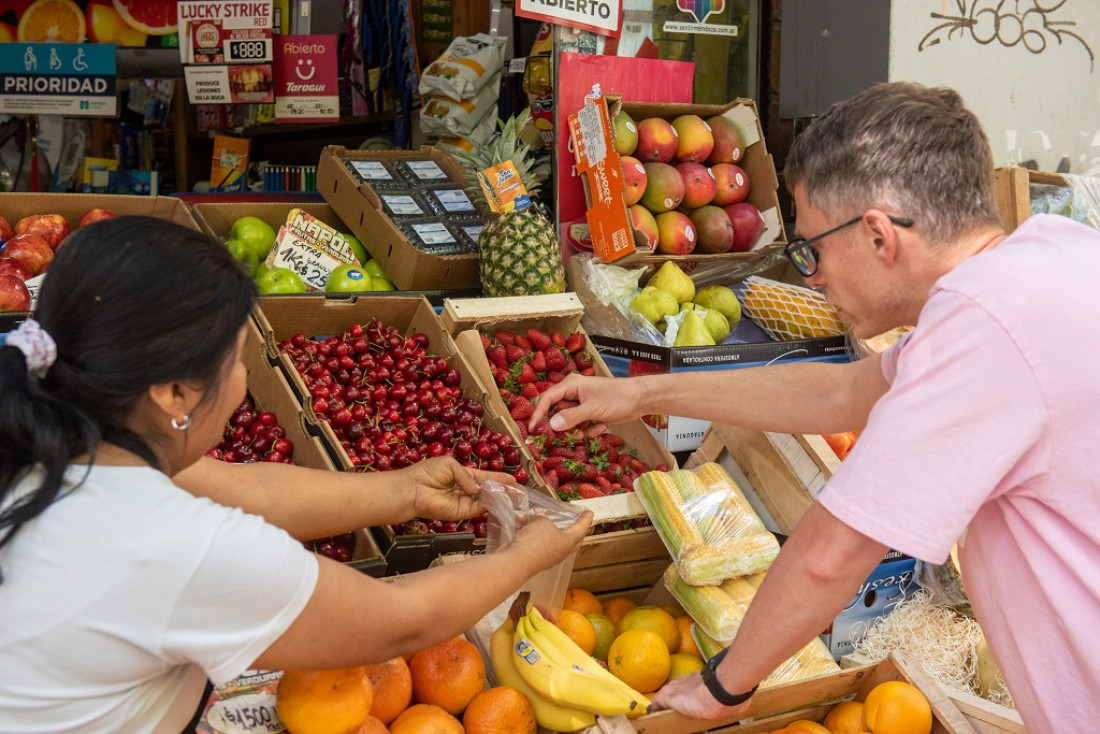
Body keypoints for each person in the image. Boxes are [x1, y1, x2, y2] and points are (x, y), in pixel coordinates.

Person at [529, 81, 1100, 732]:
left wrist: (724, 685)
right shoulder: (1053, 257)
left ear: (880, 236)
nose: (810, 278)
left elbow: (834, 551)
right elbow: (843, 391)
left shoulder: (984, 325)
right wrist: (642, 391)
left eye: (812, 250)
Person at [0, 216, 591, 734]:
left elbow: (244, 487)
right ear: (174, 392)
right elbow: (401, 621)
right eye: (234, 362)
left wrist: (407, 490)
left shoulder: (56, 433)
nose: (242, 384)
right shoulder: (171, 546)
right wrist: (525, 554)